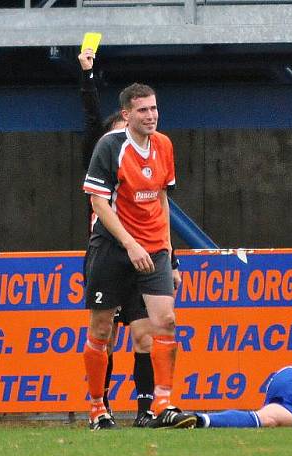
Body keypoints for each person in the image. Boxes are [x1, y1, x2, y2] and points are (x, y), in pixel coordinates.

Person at [81, 82, 189, 430]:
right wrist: (129, 243)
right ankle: (98, 407)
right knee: (102, 329)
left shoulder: (165, 145)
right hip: (113, 248)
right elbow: (99, 201)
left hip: (153, 247)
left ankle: (162, 405)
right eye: (143, 110)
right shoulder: (110, 146)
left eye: (154, 108)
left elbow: (161, 199)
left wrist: (169, 255)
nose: (151, 115)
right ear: (126, 114)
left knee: (165, 322)